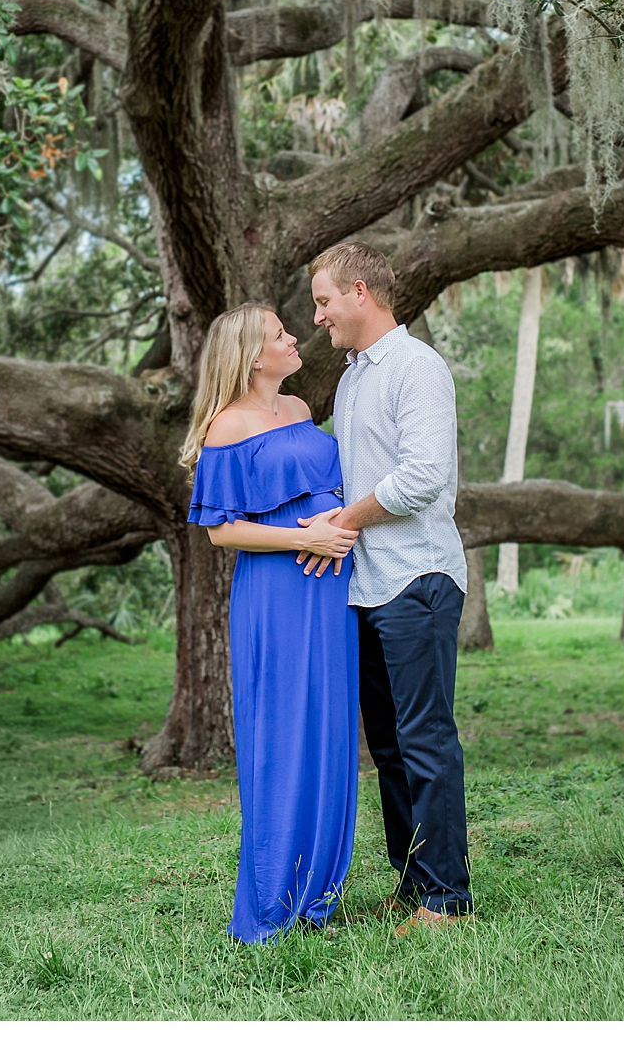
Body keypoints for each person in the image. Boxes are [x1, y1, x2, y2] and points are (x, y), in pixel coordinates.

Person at [303, 241, 474, 936]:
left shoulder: (415, 368)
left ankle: (447, 902)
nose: (316, 318)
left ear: (361, 292)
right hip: (365, 586)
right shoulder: (350, 379)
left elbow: (423, 476)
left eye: (322, 301)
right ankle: (412, 883)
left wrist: (343, 518)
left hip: (417, 578)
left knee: (425, 740)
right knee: (391, 748)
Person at [181, 302, 362, 943]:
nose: (296, 337)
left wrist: (336, 530)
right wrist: (301, 541)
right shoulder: (226, 428)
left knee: (331, 731)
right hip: (279, 593)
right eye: (282, 333)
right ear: (255, 355)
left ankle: (319, 894)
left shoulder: (300, 411)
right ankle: (270, 901)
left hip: (331, 589)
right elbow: (220, 530)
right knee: (284, 734)